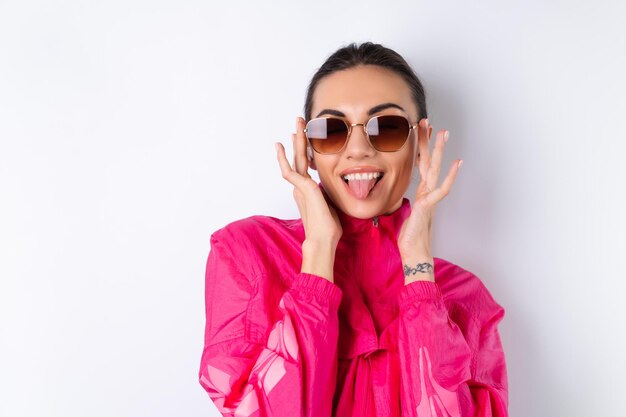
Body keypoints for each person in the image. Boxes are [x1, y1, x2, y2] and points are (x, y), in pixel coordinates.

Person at [198, 41, 508, 417]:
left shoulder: (465, 299)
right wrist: (318, 257)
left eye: (388, 127)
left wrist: (419, 274)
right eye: (331, 129)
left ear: (420, 144)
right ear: (309, 148)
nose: (358, 149)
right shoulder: (247, 253)